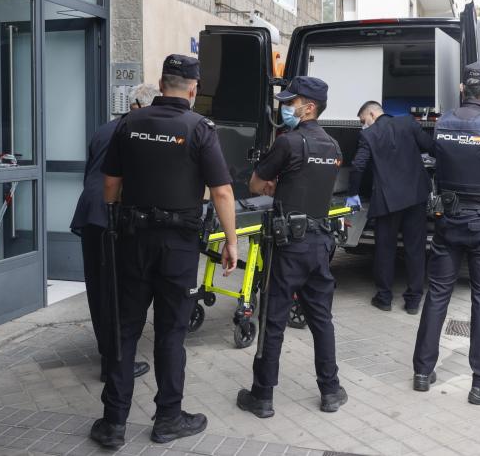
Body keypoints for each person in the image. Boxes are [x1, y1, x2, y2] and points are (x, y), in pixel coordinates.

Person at [91, 54, 238, 448]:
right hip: (178, 247)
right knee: (171, 331)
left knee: (125, 329)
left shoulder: (129, 124)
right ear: (193, 89)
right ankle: (168, 418)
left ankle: (113, 423)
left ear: (161, 83)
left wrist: (116, 218)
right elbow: (222, 191)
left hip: (133, 241)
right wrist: (231, 241)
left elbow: (110, 184)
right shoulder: (200, 128)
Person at [412, 61, 480, 404]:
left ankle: (422, 371)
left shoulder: (442, 123)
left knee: (438, 294)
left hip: (448, 219)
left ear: (463, 89)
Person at [236, 76, 348, 418]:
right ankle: (330, 391)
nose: (285, 108)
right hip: (321, 244)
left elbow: (256, 183)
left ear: (309, 107)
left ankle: (262, 396)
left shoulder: (288, 142)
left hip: (288, 247)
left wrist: (275, 185)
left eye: (291, 102)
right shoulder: (333, 146)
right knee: (321, 320)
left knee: (273, 320)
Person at [70, 83, 161, 383]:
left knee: (98, 289)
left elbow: (90, 173)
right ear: (144, 106)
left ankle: (108, 355)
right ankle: (116, 363)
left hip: (89, 213)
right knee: (118, 291)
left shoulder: (104, 129)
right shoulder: (139, 132)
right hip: (114, 215)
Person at [346, 101, 433, 314]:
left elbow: (358, 165)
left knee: (385, 250)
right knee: (415, 249)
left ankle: (384, 298)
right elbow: (431, 147)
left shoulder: (368, 135)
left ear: (372, 114)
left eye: (363, 120)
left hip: (387, 200)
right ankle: (413, 301)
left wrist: (353, 193)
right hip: (415, 196)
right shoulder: (408, 123)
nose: (363, 125)